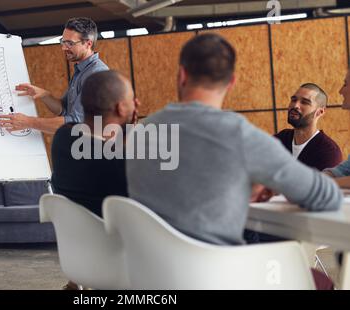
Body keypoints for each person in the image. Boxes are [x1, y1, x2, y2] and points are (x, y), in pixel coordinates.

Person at [126, 32, 341, 263]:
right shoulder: (242, 136)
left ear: (181, 75)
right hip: (222, 275)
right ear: (231, 82)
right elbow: (327, 197)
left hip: (148, 274)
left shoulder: (140, 133)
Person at [0, 17, 108, 134]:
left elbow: (76, 123)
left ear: (88, 44)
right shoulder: (81, 70)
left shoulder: (96, 74)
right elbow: (64, 110)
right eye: (63, 42)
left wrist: (28, 122)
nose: (64, 48)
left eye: (70, 43)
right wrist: (44, 95)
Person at [52, 70, 139, 217]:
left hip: (75, 236)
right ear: (121, 108)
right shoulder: (124, 164)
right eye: (132, 100)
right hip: (117, 237)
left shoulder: (62, 139)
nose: (137, 103)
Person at [275, 83, 342, 171]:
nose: (295, 106)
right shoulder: (281, 138)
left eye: (304, 102)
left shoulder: (329, 152)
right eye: (293, 100)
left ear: (320, 112)